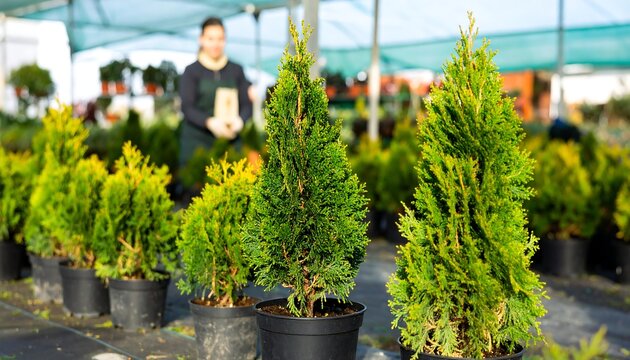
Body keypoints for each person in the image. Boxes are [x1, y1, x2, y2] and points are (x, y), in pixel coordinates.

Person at [179, 16, 253, 168]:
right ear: (202, 39)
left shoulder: (236, 70)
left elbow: (247, 104)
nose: (215, 44)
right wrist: (210, 122)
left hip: (231, 143)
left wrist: (241, 120)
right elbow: (187, 107)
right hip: (198, 142)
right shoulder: (192, 71)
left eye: (220, 39)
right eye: (210, 38)